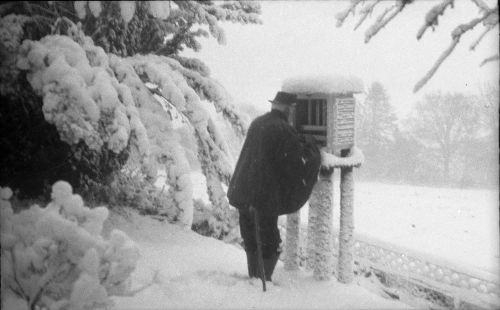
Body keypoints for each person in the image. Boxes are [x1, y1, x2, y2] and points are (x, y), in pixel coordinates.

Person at [227, 91, 321, 282]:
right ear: (290, 110)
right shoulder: (282, 129)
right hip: (261, 197)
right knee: (270, 242)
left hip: (243, 191)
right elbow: (296, 163)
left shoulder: (258, 123)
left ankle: (255, 276)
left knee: (252, 238)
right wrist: (312, 147)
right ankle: (263, 279)